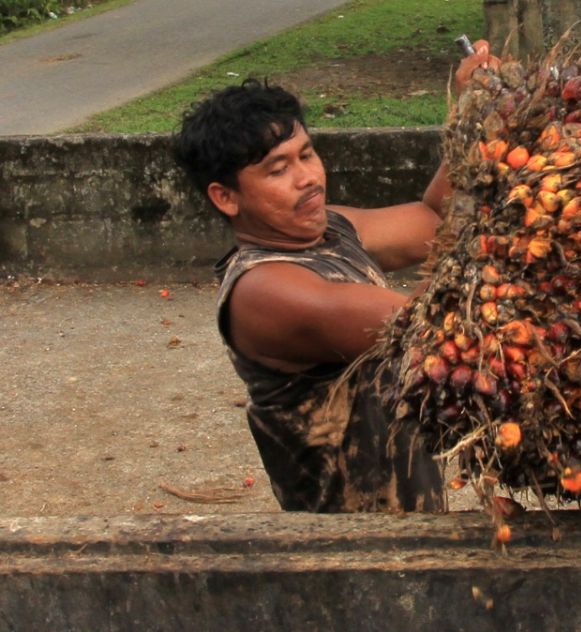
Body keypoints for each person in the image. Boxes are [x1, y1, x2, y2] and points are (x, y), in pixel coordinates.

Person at [172, 41, 498, 512]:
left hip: (408, 527)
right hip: (352, 555)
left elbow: (437, 221)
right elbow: (424, 324)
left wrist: (473, 114)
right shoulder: (263, 293)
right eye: (278, 169)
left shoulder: (329, 229)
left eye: (306, 155)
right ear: (226, 198)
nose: (307, 178)